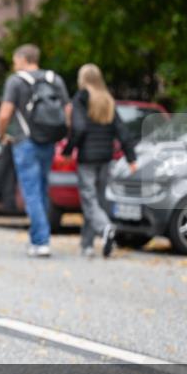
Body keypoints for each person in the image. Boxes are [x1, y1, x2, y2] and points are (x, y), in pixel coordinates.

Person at [0, 44, 71, 257]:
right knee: (42, 188)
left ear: (22, 58)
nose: (13, 65)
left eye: (14, 60)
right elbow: (68, 111)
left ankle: (41, 240)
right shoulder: (54, 79)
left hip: (25, 142)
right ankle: (37, 236)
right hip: (48, 140)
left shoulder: (16, 81)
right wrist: (64, 135)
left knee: (31, 192)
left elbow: (4, 114)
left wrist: (1, 134)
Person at [63, 64, 138, 257]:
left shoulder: (81, 98)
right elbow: (122, 131)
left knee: (89, 201)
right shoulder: (107, 100)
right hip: (105, 158)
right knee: (96, 201)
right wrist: (131, 158)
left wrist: (69, 150)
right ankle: (87, 245)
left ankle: (105, 228)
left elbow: (78, 128)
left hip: (87, 158)